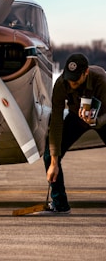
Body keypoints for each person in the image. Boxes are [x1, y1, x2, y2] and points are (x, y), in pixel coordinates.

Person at [42, 53, 106, 214]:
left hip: (103, 116)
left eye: (75, 80)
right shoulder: (62, 83)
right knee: (50, 155)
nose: (71, 83)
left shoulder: (101, 80)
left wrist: (97, 122)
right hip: (76, 117)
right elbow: (56, 122)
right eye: (69, 78)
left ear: (86, 73)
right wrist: (54, 162)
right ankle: (60, 204)